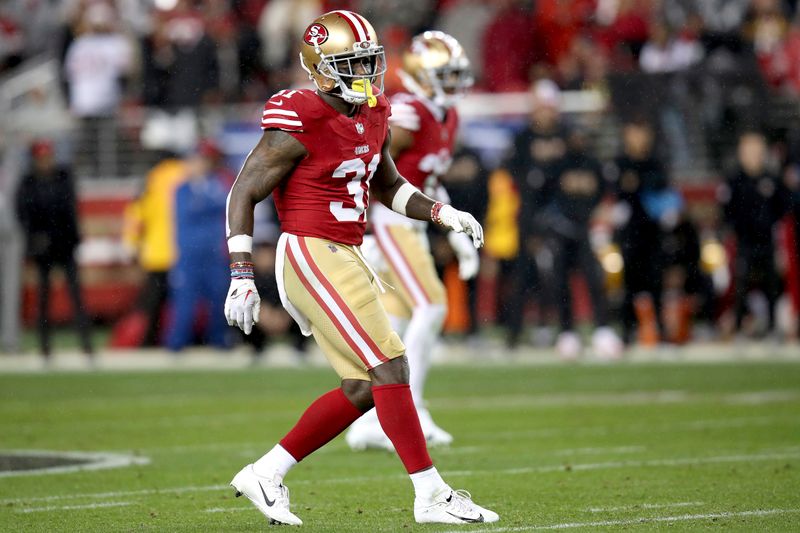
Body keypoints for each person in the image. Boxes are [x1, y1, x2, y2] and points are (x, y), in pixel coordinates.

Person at [224, 10, 498, 526]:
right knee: (391, 366)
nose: (366, 74)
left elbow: (388, 183)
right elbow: (245, 190)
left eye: (371, 62)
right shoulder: (300, 114)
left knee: (363, 387)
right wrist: (241, 272)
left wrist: (443, 213)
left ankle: (266, 472)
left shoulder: (373, 110)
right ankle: (431, 493)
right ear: (320, 68)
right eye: (352, 63)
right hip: (311, 249)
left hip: (344, 251)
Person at [344, 31, 479, 451]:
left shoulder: (447, 115)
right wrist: (362, 228)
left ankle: (371, 420)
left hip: (411, 222)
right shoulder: (408, 112)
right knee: (433, 304)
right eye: (446, 74)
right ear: (423, 74)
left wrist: (455, 233)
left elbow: (431, 182)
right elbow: (371, 167)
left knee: (398, 319)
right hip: (390, 220)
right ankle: (413, 408)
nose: (455, 83)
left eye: (457, 74)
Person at [543, 129, 622, 359]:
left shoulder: (594, 165)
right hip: (561, 231)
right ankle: (568, 333)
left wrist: (597, 219)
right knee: (561, 284)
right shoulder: (558, 165)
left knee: (595, 280)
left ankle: (602, 331)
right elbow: (545, 195)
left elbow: (606, 196)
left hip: (587, 231)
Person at [503, 79, 568, 348]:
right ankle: (514, 332)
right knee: (523, 275)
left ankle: (558, 327)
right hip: (528, 213)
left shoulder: (566, 136)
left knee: (557, 274)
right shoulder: (523, 138)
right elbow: (514, 175)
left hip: (560, 213)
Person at [15, 139, 93, 358]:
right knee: (44, 299)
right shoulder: (28, 182)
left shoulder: (63, 177)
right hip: (43, 247)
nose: (46, 161)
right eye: (41, 157)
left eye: (48, 156)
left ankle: (86, 345)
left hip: (65, 244)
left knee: (76, 296)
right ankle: (45, 347)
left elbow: (70, 210)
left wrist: (74, 238)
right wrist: (34, 240)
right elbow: (23, 213)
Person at [718, 130, 790, 337]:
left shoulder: (771, 179)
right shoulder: (734, 179)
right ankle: (740, 327)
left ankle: (773, 328)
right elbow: (727, 210)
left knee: (772, 285)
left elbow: (783, 207)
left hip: (767, 240)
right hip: (744, 241)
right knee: (740, 283)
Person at [163, 140, 231, 351]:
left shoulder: (219, 183)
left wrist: (204, 204)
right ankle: (176, 343)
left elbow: (226, 204)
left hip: (214, 253)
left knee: (219, 297)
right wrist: (207, 204)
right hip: (189, 255)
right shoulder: (182, 189)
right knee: (185, 300)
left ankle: (219, 341)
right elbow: (190, 211)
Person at [609, 119, 670, 345]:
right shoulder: (620, 162)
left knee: (656, 283)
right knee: (629, 285)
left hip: (652, 232)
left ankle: (660, 330)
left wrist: (637, 183)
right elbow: (619, 190)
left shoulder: (654, 162)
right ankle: (628, 331)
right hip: (629, 234)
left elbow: (661, 187)